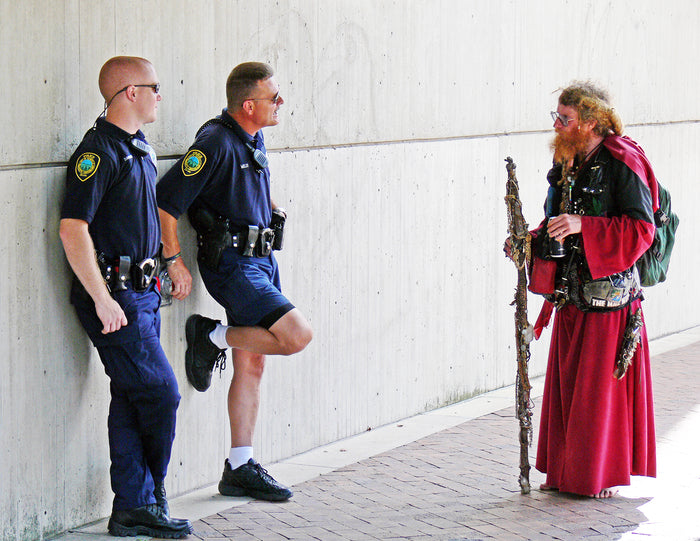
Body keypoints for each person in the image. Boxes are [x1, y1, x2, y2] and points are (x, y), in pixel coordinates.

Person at [156, 62, 313, 502]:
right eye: (273, 97)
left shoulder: (252, 135)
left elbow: (247, 186)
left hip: (261, 261)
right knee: (295, 335)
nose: (280, 103)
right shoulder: (214, 143)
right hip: (233, 266)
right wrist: (173, 261)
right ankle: (212, 335)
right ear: (248, 105)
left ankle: (239, 465)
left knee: (253, 362)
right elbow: (167, 203)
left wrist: (271, 212)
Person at [59, 56, 192, 538]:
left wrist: (164, 269)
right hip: (115, 299)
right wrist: (101, 298)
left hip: (143, 293)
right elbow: (73, 228)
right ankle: (151, 492)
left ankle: (132, 507)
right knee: (162, 393)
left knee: (131, 398)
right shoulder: (97, 152)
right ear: (129, 92)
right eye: (154, 86)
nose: (161, 93)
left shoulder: (140, 147)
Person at [525, 81, 657, 498]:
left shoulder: (623, 161)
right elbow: (554, 221)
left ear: (593, 122)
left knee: (596, 396)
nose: (558, 126)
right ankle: (566, 472)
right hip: (571, 296)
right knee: (569, 391)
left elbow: (642, 229)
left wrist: (586, 225)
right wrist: (528, 241)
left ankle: (597, 477)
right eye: (557, 117)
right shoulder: (566, 162)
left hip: (609, 300)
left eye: (566, 119)